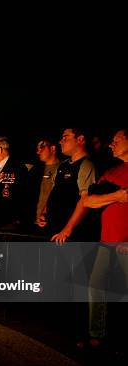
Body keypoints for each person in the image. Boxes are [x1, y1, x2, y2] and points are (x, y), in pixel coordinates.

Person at [80, 129, 128, 350]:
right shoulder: (111, 172)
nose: (111, 144)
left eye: (116, 140)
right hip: (106, 241)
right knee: (96, 287)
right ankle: (96, 336)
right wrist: (118, 196)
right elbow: (89, 201)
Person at [49, 128, 97, 243]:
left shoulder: (86, 165)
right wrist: (45, 213)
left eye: (65, 138)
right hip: (56, 229)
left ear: (80, 139)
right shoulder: (63, 165)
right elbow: (55, 191)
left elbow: (85, 200)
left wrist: (67, 229)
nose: (61, 141)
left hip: (71, 234)